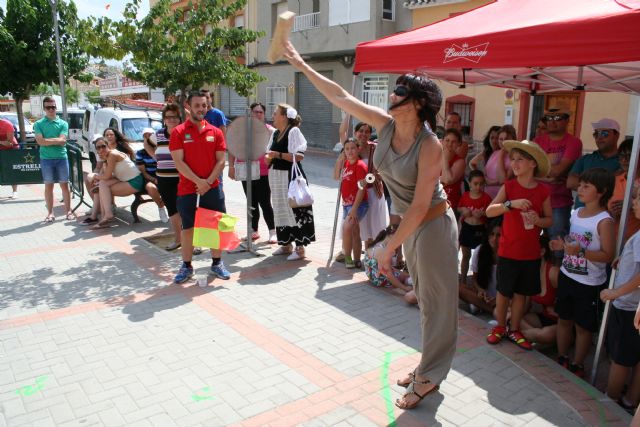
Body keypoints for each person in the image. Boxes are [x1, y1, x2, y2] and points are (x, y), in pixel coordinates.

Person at [283, 41, 457, 409]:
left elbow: (422, 205)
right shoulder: (387, 125)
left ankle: (429, 376)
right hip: (413, 225)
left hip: (433, 225)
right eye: (395, 88)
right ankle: (430, 364)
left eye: (401, 91)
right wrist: (300, 62)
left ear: (419, 103)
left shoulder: (431, 146)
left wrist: (387, 248)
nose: (393, 93)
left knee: (438, 305)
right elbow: (341, 95)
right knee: (426, 301)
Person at [486, 139, 552, 351]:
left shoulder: (543, 191)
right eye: (513, 159)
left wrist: (538, 220)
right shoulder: (509, 186)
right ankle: (499, 327)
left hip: (530, 253)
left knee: (521, 294)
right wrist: (509, 204)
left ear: (533, 164)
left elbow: (549, 220)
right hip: (508, 250)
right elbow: (490, 211)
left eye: (520, 159)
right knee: (504, 292)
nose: (514, 163)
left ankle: (515, 329)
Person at [550, 168, 615, 378]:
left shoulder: (604, 221)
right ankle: (561, 357)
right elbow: (572, 240)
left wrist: (582, 252)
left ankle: (578, 364)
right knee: (564, 319)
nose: (580, 189)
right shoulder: (576, 213)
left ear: (602, 191)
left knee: (583, 327)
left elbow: (607, 255)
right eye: (580, 185)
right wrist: (561, 245)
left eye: (587, 186)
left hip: (589, 283)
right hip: (568, 275)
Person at [169, 90, 231, 284]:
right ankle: (186, 266)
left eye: (204, 105)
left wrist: (208, 182)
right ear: (188, 106)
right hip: (188, 189)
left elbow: (221, 161)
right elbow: (179, 162)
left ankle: (216, 263)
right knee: (188, 229)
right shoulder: (178, 132)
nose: (201, 109)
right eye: (197, 105)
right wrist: (198, 182)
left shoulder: (216, 132)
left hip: (212, 188)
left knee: (215, 226)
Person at [600, 188, 640, 414]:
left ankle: (610, 401)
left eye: (638, 199)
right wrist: (623, 258)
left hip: (629, 306)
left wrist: (616, 293)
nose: (633, 203)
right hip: (634, 306)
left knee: (621, 359)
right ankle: (630, 400)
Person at [265, 104, 316, 260]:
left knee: (293, 209)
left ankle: (300, 249)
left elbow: (299, 155)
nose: (273, 116)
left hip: (290, 176)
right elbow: (269, 154)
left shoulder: (293, 131)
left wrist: (277, 155)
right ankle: (286, 244)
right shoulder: (275, 134)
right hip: (277, 176)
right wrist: (270, 158)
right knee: (281, 209)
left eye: (275, 113)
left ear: (284, 116)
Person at [535, 106, 583, 250]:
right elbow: (529, 170)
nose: (552, 121)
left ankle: (554, 272)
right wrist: (547, 178)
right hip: (536, 199)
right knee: (531, 242)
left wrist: (540, 173)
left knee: (558, 246)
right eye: (549, 118)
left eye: (557, 118)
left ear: (567, 120)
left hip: (559, 202)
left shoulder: (574, 142)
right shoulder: (538, 141)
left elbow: (558, 171)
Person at [228, 102, 276, 243]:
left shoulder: (270, 131)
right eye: (255, 112)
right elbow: (231, 148)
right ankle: (253, 231)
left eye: (260, 112)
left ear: (264, 114)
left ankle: (273, 232)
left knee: (265, 202)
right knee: (251, 202)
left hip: (263, 172)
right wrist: (231, 167)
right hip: (245, 170)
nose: (258, 114)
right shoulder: (241, 130)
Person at [88, 136, 144, 228]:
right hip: (125, 179)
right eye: (98, 147)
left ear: (108, 145)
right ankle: (104, 216)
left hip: (135, 181)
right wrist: (102, 163)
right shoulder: (107, 156)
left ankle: (106, 215)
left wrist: (94, 176)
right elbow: (106, 174)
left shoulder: (112, 154)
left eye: (103, 146)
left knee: (102, 188)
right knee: (102, 185)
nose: (101, 149)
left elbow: (107, 176)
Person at [567, 118, 620, 209]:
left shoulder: (624, 161)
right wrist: (609, 180)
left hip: (608, 217)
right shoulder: (585, 159)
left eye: (605, 133)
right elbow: (571, 183)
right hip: (581, 216)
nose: (599, 137)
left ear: (617, 135)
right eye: (596, 134)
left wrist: (585, 183)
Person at [34, 97, 72, 222]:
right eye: (48, 107)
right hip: (46, 159)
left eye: (53, 107)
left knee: (64, 186)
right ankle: (50, 213)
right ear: (44, 108)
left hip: (62, 158)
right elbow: (40, 141)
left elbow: (63, 141)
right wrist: (56, 141)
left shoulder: (63, 123)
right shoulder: (38, 124)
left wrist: (46, 141)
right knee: (48, 187)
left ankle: (68, 211)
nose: (51, 109)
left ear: (56, 107)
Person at [334, 138, 368, 268]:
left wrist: (354, 208)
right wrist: (339, 160)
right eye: (347, 149)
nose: (350, 151)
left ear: (358, 149)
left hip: (358, 205)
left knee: (347, 228)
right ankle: (357, 259)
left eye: (353, 148)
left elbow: (362, 188)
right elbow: (336, 177)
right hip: (346, 204)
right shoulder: (345, 164)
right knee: (354, 232)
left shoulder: (360, 166)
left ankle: (348, 258)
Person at [520, 233, 560, 346]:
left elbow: (572, 301)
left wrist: (560, 311)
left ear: (542, 252)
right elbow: (525, 308)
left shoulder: (553, 272)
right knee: (513, 317)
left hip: (562, 323)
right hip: (544, 319)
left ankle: (524, 335)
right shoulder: (530, 272)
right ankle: (533, 335)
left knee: (546, 334)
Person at [155, 103, 183, 251]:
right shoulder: (158, 134)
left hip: (182, 178)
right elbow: (148, 144)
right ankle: (178, 239)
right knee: (172, 210)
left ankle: (192, 243)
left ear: (179, 118)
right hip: (164, 179)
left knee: (187, 210)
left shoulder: (184, 134)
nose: (171, 120)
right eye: (168, 117)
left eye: (174, 117)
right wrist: (157, 158)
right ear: (164, 119)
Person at [364, 226, 417, 304]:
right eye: (399, 239)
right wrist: (405, 288)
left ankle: (410, 281)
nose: (400, 242)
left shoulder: (378, 243)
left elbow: (387, 268)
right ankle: (413, 285)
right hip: (379, 280)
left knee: (405, 275)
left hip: (372, 275)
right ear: (391, 236)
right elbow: (389, 275)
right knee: (406, 278)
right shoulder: (384, 251)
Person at [458, 219, 501, 315]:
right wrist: (480, 290)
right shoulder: (480, 250)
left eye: (499, 235)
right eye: (492, 234)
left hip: (502, 300)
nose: (494, 238)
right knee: (458, 287)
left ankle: (496, 311)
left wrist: (498, 299)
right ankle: (493, 310)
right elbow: (474, 279)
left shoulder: (508, 255)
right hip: (485, 297)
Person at [457, 170, 492, 284]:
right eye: (475, 183)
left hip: (480, 229)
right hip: (467, 228)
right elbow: (459, 208)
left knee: (480, 256)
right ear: (470, 183)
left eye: (481, 184)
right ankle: (463, 280)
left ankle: (478, 282)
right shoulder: (465, 196)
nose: (478, 187)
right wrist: (463, 210)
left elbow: (491, 212)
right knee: (466, 255)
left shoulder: (486, 198)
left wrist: (483, 214)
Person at [608, 138, 640, 241]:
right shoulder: (614, 180)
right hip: (613, 240)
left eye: (629, 156)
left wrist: (629, 204)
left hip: (635, 242)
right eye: (621, 156)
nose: (623, 160)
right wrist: (612, 212)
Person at [136, 127, 169, 223]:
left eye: (150, 135)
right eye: (145, 136)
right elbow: (143, 172)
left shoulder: (161, 150)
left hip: (163, 175)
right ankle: (161, 207)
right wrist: (154, 180)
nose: (148, 137)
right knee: (151, 188)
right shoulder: (140, 153)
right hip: (148, 177)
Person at [484, 125, 517, 199]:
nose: (503, 142)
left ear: (513, 139)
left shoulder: (515, 157)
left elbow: (503, 180)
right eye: (500, 139)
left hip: (502, 198)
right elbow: (485, 173)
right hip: (487, 195)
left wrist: (501, 154)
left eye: (506, 139)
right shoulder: (494, 153)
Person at [441, 128, 466, 210]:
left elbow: (448, 180)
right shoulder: (434, 158)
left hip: (450, 204)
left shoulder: (460, 161)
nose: (449, 144)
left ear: (459, 144)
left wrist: (444, 158)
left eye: (453, 141)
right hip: (434, 202)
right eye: (447, 140)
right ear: (442, 141)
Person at [0, 117, 19, 198]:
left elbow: (10, 143)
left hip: (11, 150)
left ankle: (15, 191)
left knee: (11, 170)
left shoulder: (7, 124)